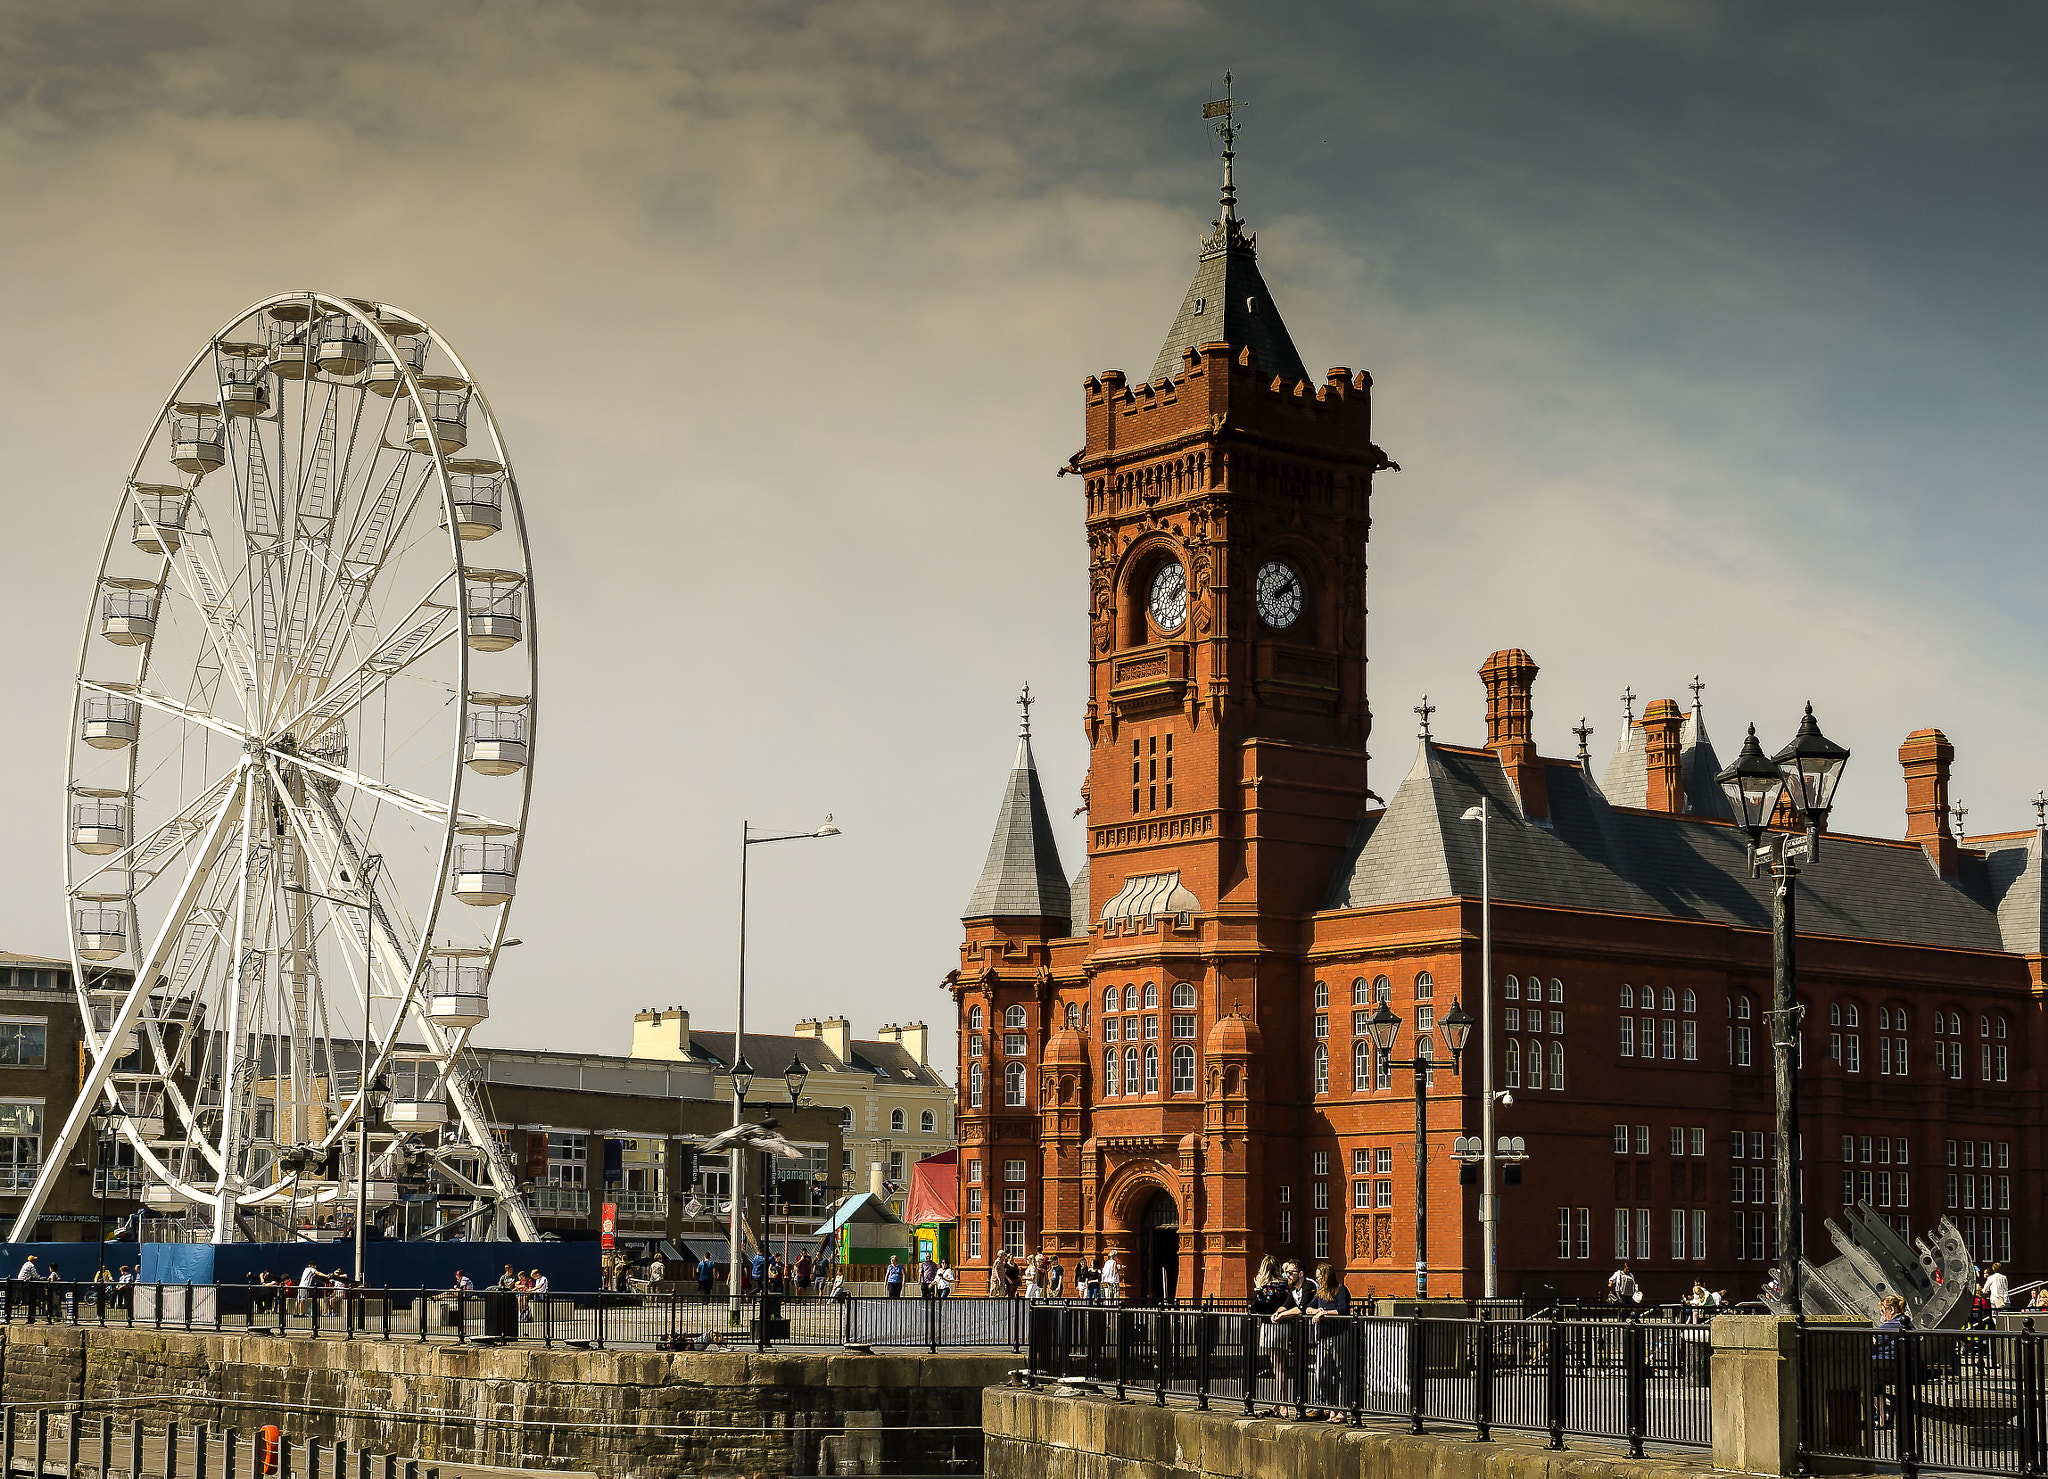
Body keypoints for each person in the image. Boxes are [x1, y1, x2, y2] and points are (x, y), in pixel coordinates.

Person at [1307, 1261, 1352, 1421]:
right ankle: (1332, 1406)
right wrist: (1315, 1310)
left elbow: (1343, 1309)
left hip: (1339, 1335)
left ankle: (1343, 1411)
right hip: (1324, 1337)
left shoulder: (1340, 1289)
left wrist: (1324, 1313)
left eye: (1320, 1277)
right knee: (1322, 1373)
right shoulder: (1321, 1293)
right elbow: (1308, 1307)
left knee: (1342, 1373)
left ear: (1327, 1276)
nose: (1318, 1280)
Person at [1250, 1256, 1292, 1415]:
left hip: (1270, 1327)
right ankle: (1278, 1403)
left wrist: (1257, 1288)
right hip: (1285, 1327)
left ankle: (1282, 1405)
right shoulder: (1285, 1286)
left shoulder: (1265, 1288)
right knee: (1280, 1366)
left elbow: (1258, 1308)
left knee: (1278, 1367)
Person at [1873, 1294, 1909, 1429]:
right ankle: (1882, 1414)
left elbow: (1873, 1341)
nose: (1883, 1315)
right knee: (1875, 1384)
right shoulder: (1907, 1323)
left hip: (1887, 1364)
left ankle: (1882, 1414)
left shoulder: (1892, 1325)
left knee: (1864, 1381)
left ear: (1891, 1310)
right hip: (1897, 1365)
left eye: (1883, 1311)